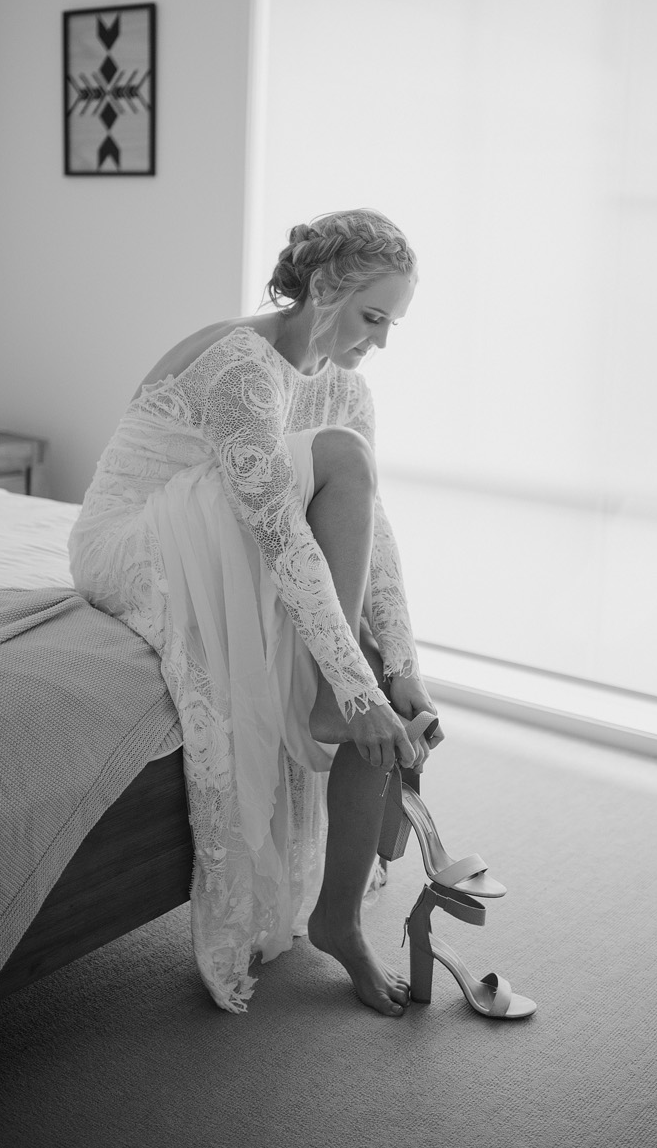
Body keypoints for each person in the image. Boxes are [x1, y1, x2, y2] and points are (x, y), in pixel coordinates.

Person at [69, 208, 442, 1017]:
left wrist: (400, 667)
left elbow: (370, 527)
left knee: (377, 680)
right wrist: (348, 682)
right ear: (323, 288)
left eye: (393, 323)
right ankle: (335, 696)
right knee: (352, 668)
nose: (382, 340)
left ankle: (338, 919)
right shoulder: (240, 363)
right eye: (373, 317)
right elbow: (280, 532)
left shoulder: (346, 384)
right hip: (131, 540)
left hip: (227, 526)